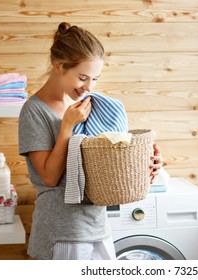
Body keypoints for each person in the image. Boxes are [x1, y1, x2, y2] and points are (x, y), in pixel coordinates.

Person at [18, 22, 163, 260]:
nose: (89, 87)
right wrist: (67, 125)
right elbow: (49, 177)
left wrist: (147, 162)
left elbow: (108, 160)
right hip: (62, 230)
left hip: (98, 225)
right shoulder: (34, 111)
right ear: (59, 66)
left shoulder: (91, 106)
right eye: (83, 77)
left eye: (95, 78)